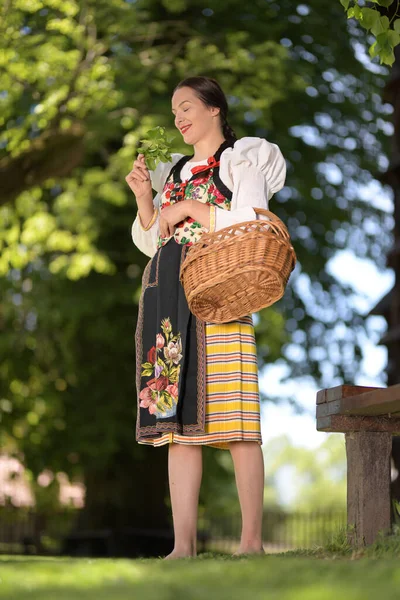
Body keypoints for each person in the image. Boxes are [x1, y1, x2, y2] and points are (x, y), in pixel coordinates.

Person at [126, 76, 286, 559]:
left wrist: (197, 207)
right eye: (174, 110)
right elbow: (152, 238)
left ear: (215, 109)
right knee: (177, 427)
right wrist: (144, 200)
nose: (179, 117)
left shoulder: (242, 160)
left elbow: (254, 220)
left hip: (220, 293)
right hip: (168, 303)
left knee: (236, 419)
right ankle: (183, 548)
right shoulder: (171, 169)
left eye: (187, 106)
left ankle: (252, 543)